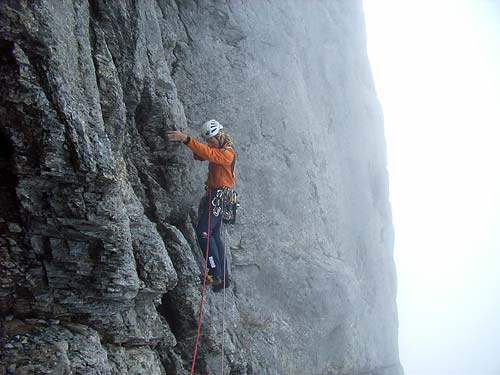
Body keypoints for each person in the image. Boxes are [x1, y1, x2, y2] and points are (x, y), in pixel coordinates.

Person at [165, 119, 236, 292]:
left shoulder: (227, 153)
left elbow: (209, 154)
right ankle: (223, 277)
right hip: (219, 197)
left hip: (218, 197)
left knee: (203, 233)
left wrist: (186, 139)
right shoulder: (219, 150)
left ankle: (214, 272)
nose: (210, 144)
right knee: (215, 235)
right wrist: (187, 142)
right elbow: (202, 155)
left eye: (212, 140)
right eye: (209, 141)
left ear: (220, 136)